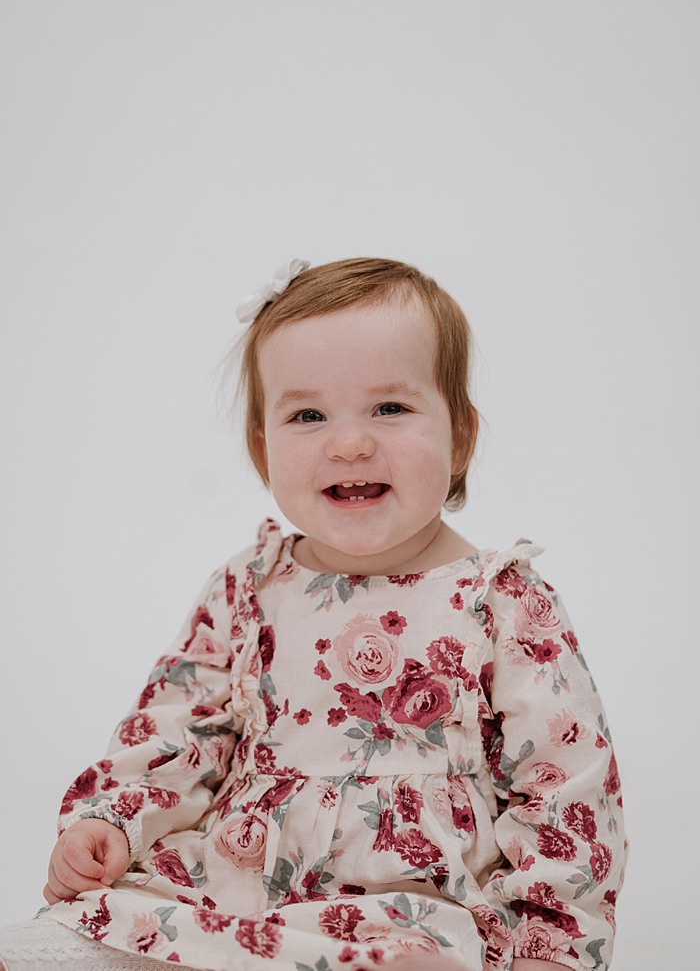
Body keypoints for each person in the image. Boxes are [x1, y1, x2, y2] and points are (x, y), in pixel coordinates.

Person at [0, 258, 625, 971]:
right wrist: (110, 819)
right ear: (264, 451)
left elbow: (565, 788)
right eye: (307, 415)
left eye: (390, 408)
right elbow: (177, 726)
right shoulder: (250, 584)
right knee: (104, 925)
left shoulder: (500, 600)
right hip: (229, 890)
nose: (349, 443)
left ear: (461, 438)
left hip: (412, 911)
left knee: (419, 961)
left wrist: (549, 944)